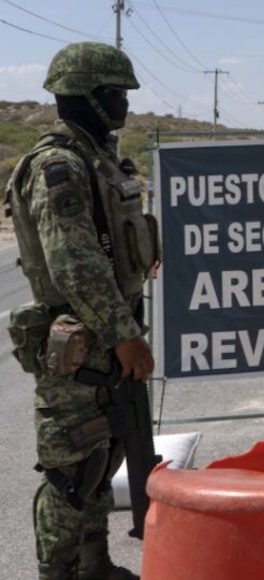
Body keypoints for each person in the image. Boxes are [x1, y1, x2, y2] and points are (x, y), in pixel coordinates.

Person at [3, 42, 159, 580]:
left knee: (103, 460)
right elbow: (74, 264)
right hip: (79, 345)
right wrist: (124, 335)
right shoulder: (60, 166)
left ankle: (95, 567)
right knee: (71, 474)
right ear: (85, 96)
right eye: (115, 93)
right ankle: (58, 573)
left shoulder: (100, 159)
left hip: (108, 334)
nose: (125, 104)